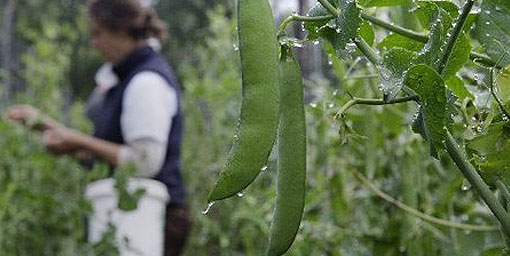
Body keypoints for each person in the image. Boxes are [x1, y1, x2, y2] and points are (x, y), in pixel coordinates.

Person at [4, 0, 191, 255]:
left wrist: (77, 140)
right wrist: (47, 126)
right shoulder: (122, 79)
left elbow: (145, 162)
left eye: (97, 33)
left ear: (121, 30)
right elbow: (106, 156)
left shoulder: (146, 81)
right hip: (125, 217)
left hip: (151, 221)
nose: (93, 43)